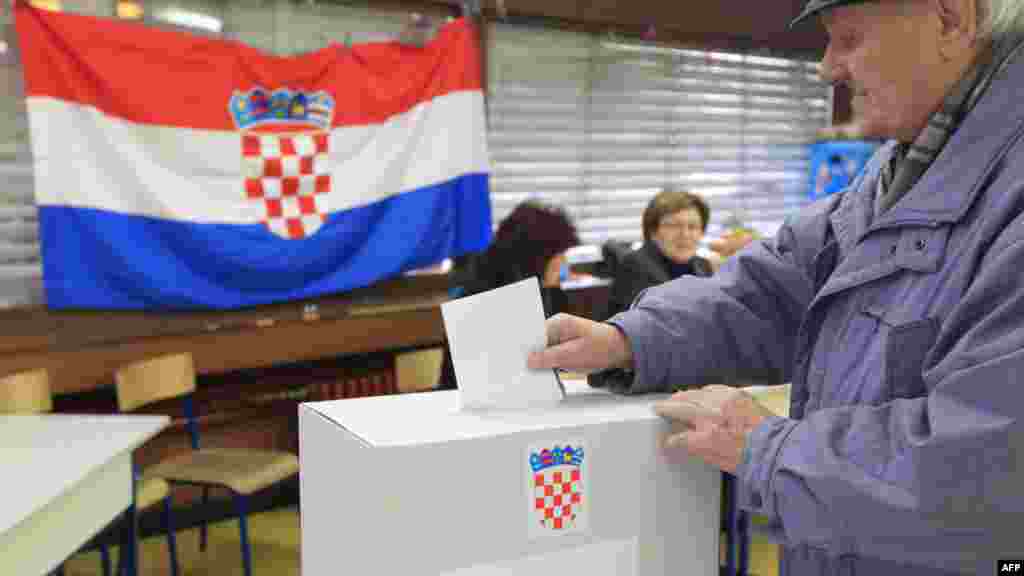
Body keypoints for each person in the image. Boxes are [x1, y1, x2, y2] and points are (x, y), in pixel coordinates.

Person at [527, 0, 1024, 573]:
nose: (827, 69)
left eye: (850, 39)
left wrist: (768, 449)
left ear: (949, 19)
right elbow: (767, 289)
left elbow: (988, 467)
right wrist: (632, 339)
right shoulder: (906, 163)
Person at [437, 200, 579, 390]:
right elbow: (539, 376)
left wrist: (552, 289)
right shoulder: (495, 303)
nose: (562, 264)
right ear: (538, 259)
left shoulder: (496, 283)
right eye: (558, 257)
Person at [604, 190, 714, 320]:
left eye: (693, 226)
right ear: (653, 231)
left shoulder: (703, 266)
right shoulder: (636, 265)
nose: (685, 234)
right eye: (674, 225)